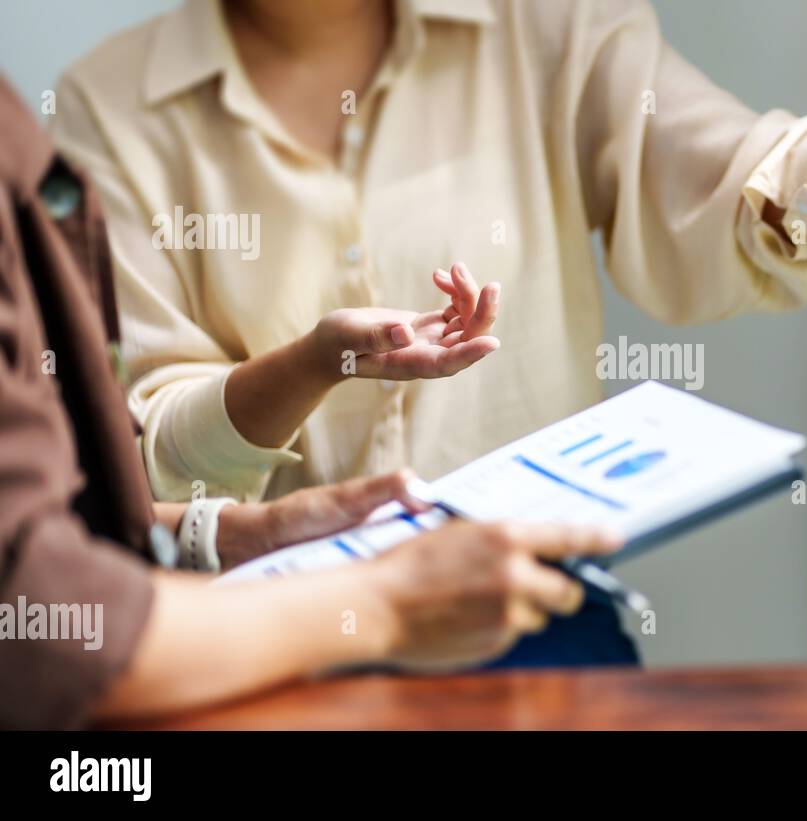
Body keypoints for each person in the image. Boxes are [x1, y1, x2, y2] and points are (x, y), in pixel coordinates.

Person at [51, 0, 807, 665]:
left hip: (535, 625)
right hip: (267, 648)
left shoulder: (546, 22)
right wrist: (315, 364)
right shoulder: (108, 104)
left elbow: (727, 183)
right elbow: (150, 453)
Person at [0, 76, 620, 729]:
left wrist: (236, 533)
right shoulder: (107, 107)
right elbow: (43, 620)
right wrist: (388, 600)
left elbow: (60, 520)